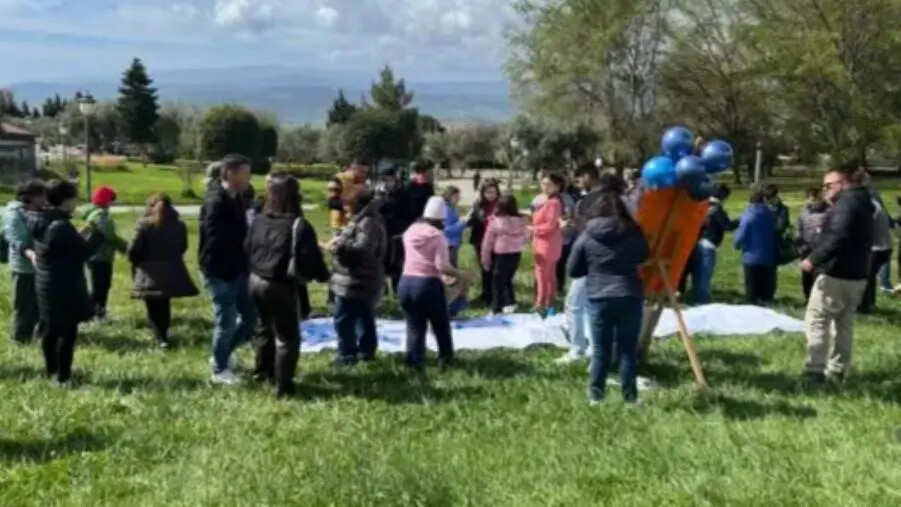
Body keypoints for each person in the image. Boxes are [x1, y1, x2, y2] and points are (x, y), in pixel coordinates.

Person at [246, 174, 329, 396]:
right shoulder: (298, 224)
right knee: (287, 336)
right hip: (279, 284)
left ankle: (263, 372)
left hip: (254, 280)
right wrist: (323, 275)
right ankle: (283, 386)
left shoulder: (259, 220)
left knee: (263, 327)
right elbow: (310, 257)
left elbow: (247, 248)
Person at [567, 191, 649, 406]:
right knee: (627, 350)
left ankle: (596, 397)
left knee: (600, 351)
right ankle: (630, 399)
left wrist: (591, 268)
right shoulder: (633, 231)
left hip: (599, 296)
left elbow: (573, 270)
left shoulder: (587, 234)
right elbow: (644, 255)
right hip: (629, 293)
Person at [800, 170, 874, 385]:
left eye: (828, 185)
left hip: (836, 273)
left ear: (842, 183)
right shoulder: (864, 202)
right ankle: (838, 370)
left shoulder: (846, 205)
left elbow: (838, 238)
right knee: (844, 323)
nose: (825, 191)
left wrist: (813, 260)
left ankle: (815, 370)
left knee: (817, 319)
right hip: (858, 274)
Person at [29, 180, 104, 386]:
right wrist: (97, 236)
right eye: (74, 198)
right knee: (66, 332)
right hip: (64, 286)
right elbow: (82, 253)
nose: (76, 202)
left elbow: (56, 249)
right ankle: (63, 378)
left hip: (45, 282)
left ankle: (52, 370)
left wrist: (78, 236)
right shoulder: (61, 226)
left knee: (50, 329)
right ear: (66, 200)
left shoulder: (40, 219)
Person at [199, 154, 256, 385]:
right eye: (245, 173)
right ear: (230, 174)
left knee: (250, 318)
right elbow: (214, 242)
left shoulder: (238, 198)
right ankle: (220, 369)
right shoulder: (216, 201)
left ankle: (222, 354)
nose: (249, 178)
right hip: (221, 272)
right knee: (226, 322)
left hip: (239, 268)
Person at [398, 196, 474, 370]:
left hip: (405, 282)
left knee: (414, 326)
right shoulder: (438, 237)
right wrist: (462, 275)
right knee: (440, 324)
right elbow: (442, 266)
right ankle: (446, 361)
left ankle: (414, 363)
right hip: (427, 285)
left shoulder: (409, 231)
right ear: (442, 219)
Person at [127, 193, 198, 348]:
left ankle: (160, 337)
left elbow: (133, 249)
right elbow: (183, 246)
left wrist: (137, 261)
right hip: (171, 269)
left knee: (153, 305)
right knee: (164, 303)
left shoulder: (144, 224)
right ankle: (163, 334)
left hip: (149, 270)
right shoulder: (179, 225)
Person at [328, 189, 387, 366]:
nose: (344, 208)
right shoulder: (362, 219)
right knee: (363, 316)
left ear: (357, 205)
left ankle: (347, 355)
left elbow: (363, 249)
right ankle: (366, 351)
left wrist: (339, 247)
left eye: (347, 205)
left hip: (356, 279)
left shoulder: (368, 222)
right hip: (358, 278)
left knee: (343, 319)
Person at [556, 164, 607, 364]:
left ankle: (577, 349)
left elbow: (589, 228)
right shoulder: (609, 196)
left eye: (579, 179)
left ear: (587, 176)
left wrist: (571, 223)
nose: (578, 184)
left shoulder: (594, 198)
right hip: (603, 258)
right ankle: (595, 349)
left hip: (590, 257)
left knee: (573, 304)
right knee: (589, 305)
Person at [3, 179, 46, 344]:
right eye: (43, 195)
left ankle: (38, 334)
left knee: (38, 304)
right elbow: (14, 238)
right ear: (32, 196)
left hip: (39, 265)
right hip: (23, 267)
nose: (45, 199)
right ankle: (20, 338)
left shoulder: (39, 212)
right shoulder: (14, 213)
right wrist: (30, 253)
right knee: (24, 304)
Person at [82, 185, 127, 320]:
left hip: (94, 256)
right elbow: (109, 236)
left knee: (98, 287)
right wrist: (126, 247)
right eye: (111, 199)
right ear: (106, 200)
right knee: (101, 287)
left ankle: (95, 313)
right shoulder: (102, 215)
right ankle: (96, 314)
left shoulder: (93, 213)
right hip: (101, 256)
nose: (112, 203)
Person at [481, 194, 529, 315]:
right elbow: (526, 237)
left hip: (501, 255)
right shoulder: (522, 221)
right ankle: (510, 303)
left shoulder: (494, 222)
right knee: (508, 279)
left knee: (497, 282)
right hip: (516, 253)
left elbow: (487, 243)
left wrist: (485, 260)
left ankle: (496, 308)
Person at [692, 183, 739, 305]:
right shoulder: (716, 209)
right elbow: (727, 226)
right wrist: (741, 220)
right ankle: (702, 301)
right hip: (709, 243)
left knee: (698, 273)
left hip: (699, 242)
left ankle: (696, 297)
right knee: (705, 274)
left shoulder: (704, 205)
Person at [854, 170, 893, 314]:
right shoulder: (861, 198)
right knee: (866, 277)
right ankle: (865, 306)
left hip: (883, 244)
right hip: (872, 246)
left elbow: (885, 215)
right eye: (867, 180)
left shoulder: (874, 195)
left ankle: (869, 304)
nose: (871, 183)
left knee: (869, 277)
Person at [734, 188, 778, 306]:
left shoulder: (748, 216)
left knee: (752, 292)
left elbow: (740, 237)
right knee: (764, 292)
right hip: (768, 257)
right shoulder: (770, 215)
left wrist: (736, 244)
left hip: (751, 258)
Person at [375, 162, 413, 294]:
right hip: (380, 235)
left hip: (397, 235)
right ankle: (382, 292)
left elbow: (409, 214)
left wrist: (403, 229)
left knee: (398, 265)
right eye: (383, 179)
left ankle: (398, 292)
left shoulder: (403, 193)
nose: (386, 182)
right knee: (380, 264)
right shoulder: (376, 194)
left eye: (388, 179)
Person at [531, 173, 565, 315]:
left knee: (542, 275)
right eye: (543, 183)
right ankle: (549, 304)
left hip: (546, 243)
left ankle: (541, 304)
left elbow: (549, 225)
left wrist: (532, 229)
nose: (544, 187)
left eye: (548, 184)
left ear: (556, 186)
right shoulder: (550, 200)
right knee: (549, 275)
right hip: (548, 242)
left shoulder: (553, 203)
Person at [467, 179, 501, 304]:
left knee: (495, 270)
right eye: (488, 192)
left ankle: (496, 295)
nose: (491, 195)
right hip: (480, 240)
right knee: (485, 268)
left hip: (497, 242)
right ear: (483, 193)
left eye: (494, 192)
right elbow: (472, 220)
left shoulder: (502, 204)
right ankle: (486, 294)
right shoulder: (478, 204)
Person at [795, 188, 829, 302]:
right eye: (812, 199)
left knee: (819, 277)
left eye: (818, 198)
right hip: (806, 249)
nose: (815, 202)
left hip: (821, 250)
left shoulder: (828, 212)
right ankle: (807, 298)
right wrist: (799, 242)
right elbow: (799, 228)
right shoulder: (804, 213)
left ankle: (819, 300)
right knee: (807, 277)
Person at [443, 186, 466, 267]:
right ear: (448, 196)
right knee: (450, 266)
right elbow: (446, 230)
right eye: (456, 196)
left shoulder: (453, 208)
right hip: (449, 245)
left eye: (459, 196)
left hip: (456, 243)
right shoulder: (446, 210)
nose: (458, 198)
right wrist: (461, 223)